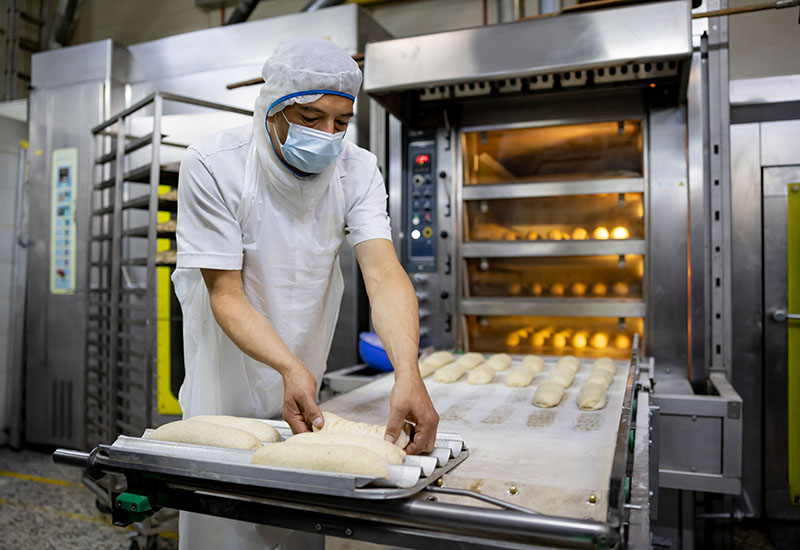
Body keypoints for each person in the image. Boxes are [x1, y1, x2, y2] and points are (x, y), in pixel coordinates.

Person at [172, 37, 439, 549]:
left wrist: (408, 372)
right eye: (311, 118)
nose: (329, 136)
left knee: (300, 529)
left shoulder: (357, 169)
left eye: (341, 122)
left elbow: (383, 272)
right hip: (225, 381)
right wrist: (288, 367)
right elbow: (224, 292)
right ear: (272, 108)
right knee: (224, 532)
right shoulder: (214, 163)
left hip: (304, 386)